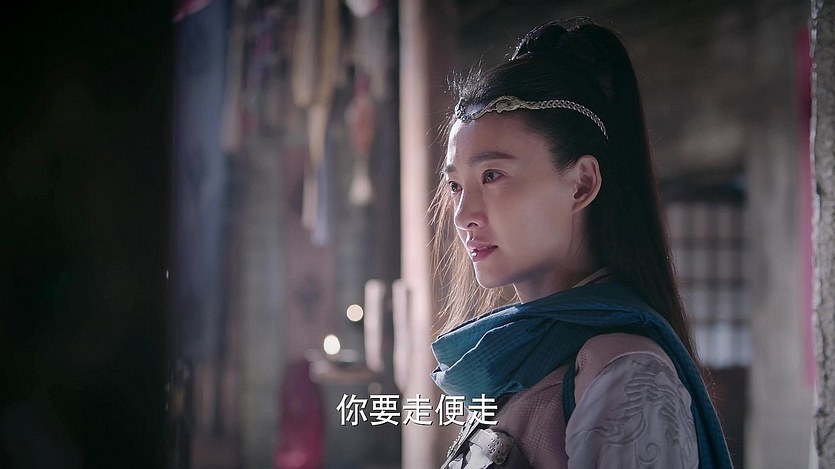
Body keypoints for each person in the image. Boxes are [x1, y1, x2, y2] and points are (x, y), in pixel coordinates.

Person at [429, 17, 733, 468]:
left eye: (492, 175)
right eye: (456, 186)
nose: (463, 215)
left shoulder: (624, 370)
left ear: (582, 183)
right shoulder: (525, 358)